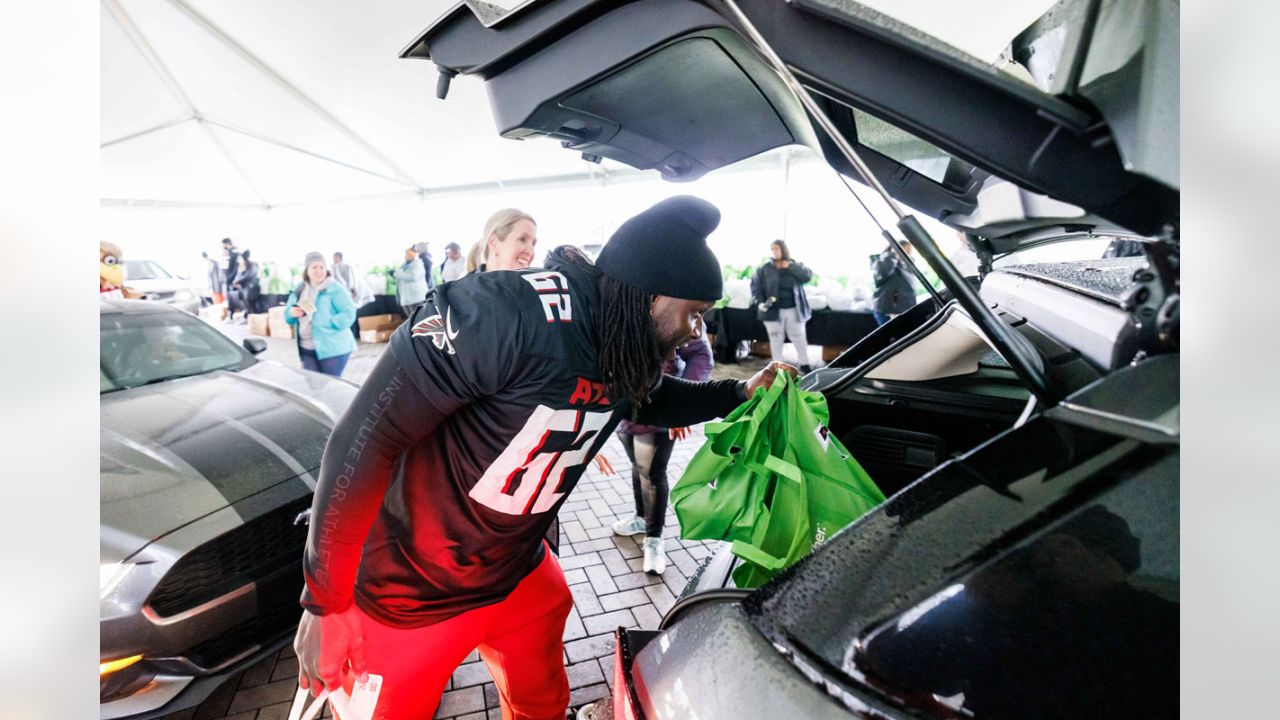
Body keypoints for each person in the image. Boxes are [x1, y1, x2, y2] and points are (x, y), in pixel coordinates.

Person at [292, 196, 794, 720]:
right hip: (412, 587)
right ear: (650, 297)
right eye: (694, 314)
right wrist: (324, 600)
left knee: (543, 704)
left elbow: (645, 394)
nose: (697, 330)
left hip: (515, 568)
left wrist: (734, 395)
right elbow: (365, 440)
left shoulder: (623, 336)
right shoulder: (504, 312)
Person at [612, 325, 713, 574]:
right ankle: (640, 517)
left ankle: (654, 539)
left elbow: (701, 355)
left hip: (660, 407)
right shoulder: (622, 306)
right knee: (637, 465)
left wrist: (681, 404)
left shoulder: (678, 309)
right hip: (623, 405)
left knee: (653, 473)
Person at [285, 252, 357, 377]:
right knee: (313, 387)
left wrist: (329, 322)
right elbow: (287, 315)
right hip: (306, 349)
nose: (319, 271)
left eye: (322, 267)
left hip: (333, 349)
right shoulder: (299, 289)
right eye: (314, 267)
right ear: (306, 270)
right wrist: (290, 313)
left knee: (330, 387)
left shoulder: (335, 288)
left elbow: (349, 312)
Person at [751, 239, 814, 372]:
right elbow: (755, 287)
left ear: (783, 250)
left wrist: (790, 266)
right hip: (772, 310)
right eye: (772, 249)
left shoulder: (794, 265)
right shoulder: (765, 267)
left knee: (799, 336)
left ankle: (804, 363)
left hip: (793, 308)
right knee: (775, 337)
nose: (774, 252)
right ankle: (777, 365)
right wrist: (761, 302)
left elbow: (807, 277)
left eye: (777, 249)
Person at [871, 240, 920, 325]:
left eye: (909, 251)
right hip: (888, 310)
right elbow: (883, 272)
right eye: (905, 251)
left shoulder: (907, 264)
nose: (907, 254)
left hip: (905, 309)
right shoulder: (883, 261)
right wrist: (893, 255)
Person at [393, 246, 429, 318]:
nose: (405, 256)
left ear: (412, 255)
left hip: (416, 298)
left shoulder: (417, 264)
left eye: (407, 254)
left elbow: (413, 277)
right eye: (405, 254)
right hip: (406, 299)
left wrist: (397, 274)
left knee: (419, 320)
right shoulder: (404, 266)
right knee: (411, 322)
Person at [231, 250, 262, 316]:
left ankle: (251, 316)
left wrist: (238, 282)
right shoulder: (244, 266)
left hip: (251, 288)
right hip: (245, 288)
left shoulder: (253, 265)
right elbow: (239, 276)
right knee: (244, 301)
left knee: (251, 304)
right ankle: (248, 315)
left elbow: (248, 276)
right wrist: (236, 281)